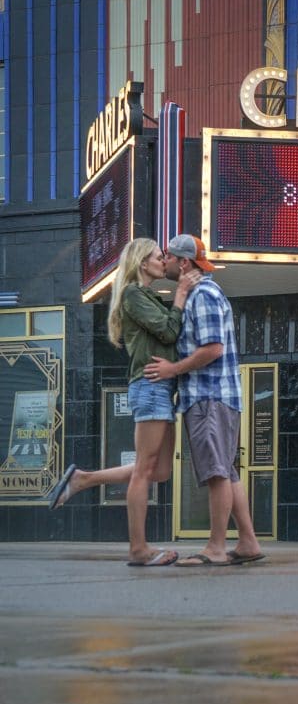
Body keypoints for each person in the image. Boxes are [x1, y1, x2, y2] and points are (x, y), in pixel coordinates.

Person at [48, 238, 200, 566]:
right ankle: (138, 549)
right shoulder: (134, 294)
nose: (165, 261)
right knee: (145, 470)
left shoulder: (145, 296)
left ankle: (83, 479)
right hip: (149, 386)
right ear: (142, 263)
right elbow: (168, 331)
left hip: (161, 387)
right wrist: (181, 297)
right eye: (159, 257)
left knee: (159, 470)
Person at [143, 233, 265, 567]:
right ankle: (249, 542)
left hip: (209, 397)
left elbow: (213, 349)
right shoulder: (200, 294)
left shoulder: (204, 295)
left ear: (183, 263)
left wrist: (173, 369)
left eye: (168, 256)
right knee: (226, 471)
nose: (164, 260)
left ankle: (215, 547)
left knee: (216, 473)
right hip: (214, 397)